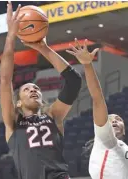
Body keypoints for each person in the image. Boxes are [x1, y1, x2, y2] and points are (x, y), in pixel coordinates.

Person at [0, 2, 82, 179]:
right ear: (18, 102)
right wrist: (10, 37)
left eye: (36, 88)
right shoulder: (13, 123)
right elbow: (5, 80)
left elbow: (74, 81)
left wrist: (44, 48)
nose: (33, 90)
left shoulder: (53, 115)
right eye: (27, 89)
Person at [66, 38, 128, 179]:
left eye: (118, 119)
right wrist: (88, 65)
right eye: (109, 119)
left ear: (124, 128)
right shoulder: (105, 138)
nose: (114, 121)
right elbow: (98, 98)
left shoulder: (124, 148)